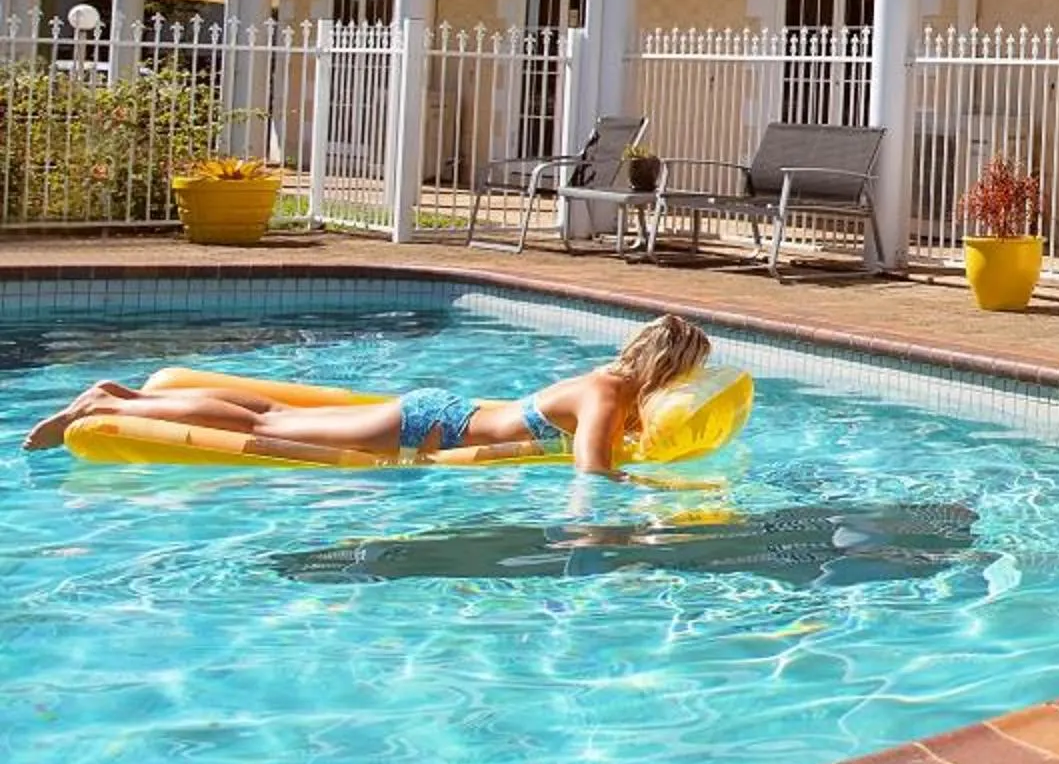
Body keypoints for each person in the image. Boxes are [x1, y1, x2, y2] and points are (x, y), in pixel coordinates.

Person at [21, 313, 714, 476]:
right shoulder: (607, 391)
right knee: (278, 429)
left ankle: (121, 393)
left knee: (279, 415)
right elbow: (592, 473)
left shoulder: (607, 381)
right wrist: (648, 492)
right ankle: (109, 407)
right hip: (423, 428)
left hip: (436, 414)